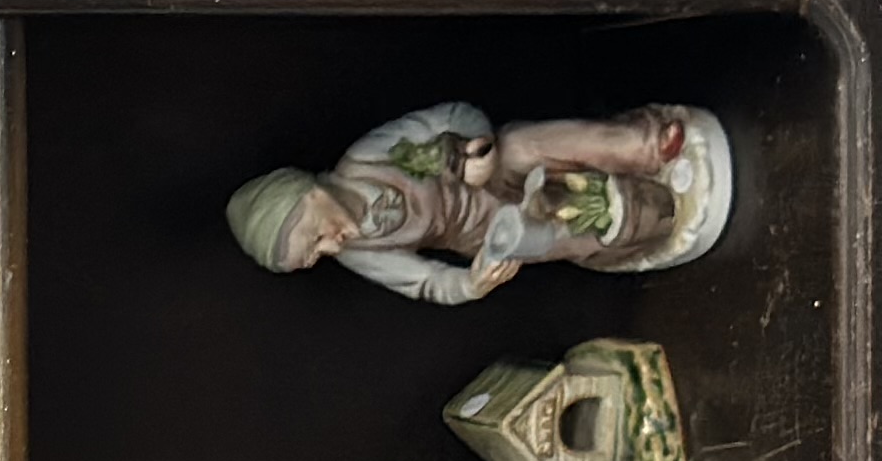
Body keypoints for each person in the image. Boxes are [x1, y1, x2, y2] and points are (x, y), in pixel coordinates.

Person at [226, 101, 726, 303]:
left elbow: (453, 115)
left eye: (317, 236)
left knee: (531, 146)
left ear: (311, 193)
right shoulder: (362, 253)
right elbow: (425, 282)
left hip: (488, 176)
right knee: (560, 237)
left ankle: (642, 146)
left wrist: (476, 150)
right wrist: (470, 282)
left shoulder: (369, 156)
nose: (333, 247)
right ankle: (647, 223)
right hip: (487, 231)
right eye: (316, 258)